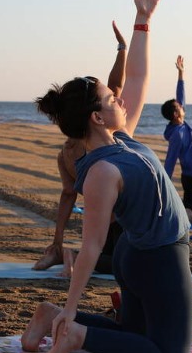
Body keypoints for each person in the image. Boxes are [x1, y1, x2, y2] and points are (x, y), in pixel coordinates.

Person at [22, 0, 192, 353]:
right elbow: (91, 248)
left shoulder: (120, 137)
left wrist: (143, 21)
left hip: (143, 254)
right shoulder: (100, 171)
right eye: (108, 95)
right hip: (157, 258)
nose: (119, 95)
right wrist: (73, 306)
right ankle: (74, 330)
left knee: (136, 336)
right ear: (97, 116)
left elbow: (137, 76)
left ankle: (51, 318)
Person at [33, 21, 127, 273]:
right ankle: (73, 256)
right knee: (127, 263)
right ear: (94, 115)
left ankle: (67, 254)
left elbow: (67, 196)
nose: (116, 99)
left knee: (108, 260)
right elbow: (117, 84)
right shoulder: (102, 138)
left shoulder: (64, 154)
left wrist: (57, 241)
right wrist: (122, 49)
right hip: (121, 225)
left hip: (101, 229)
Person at [160, 55, 192, 213]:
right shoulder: (177, 134)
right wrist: (165, 183)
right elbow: (170, 160)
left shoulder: (181, 123)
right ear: (176, 115)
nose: (182, 106)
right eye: (179, 107)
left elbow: (181, 95)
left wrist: (181, 73)